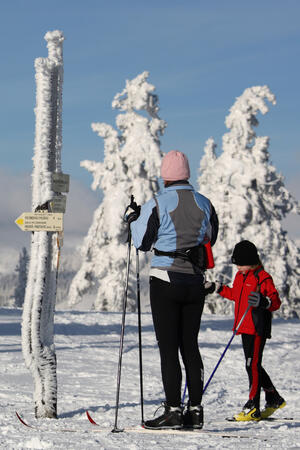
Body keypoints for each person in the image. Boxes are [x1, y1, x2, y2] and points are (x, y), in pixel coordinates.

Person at [128, 150, 218, 430]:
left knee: (168, 348)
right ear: (187, 173)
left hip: (166, 280)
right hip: (194, 281)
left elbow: (141, 242)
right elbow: (211, 237)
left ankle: (173, 411)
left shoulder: (157, 203)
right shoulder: (205, 203)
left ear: (165, 175)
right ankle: (196, 410)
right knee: (190, 346)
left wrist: (133, 219)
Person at [209, 240, 286, 421]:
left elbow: (275, 302)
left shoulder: (263, 278)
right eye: (237, 264)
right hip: (244, 328)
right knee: (253, 365)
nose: (238, 268)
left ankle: (253, 406)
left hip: (257, 328)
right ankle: (273, 397)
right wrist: (217, 288)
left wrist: (263, 301)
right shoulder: (240, 277)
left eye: (241, 264)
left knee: (251, 365)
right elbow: (236, 295)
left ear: (251, 261)